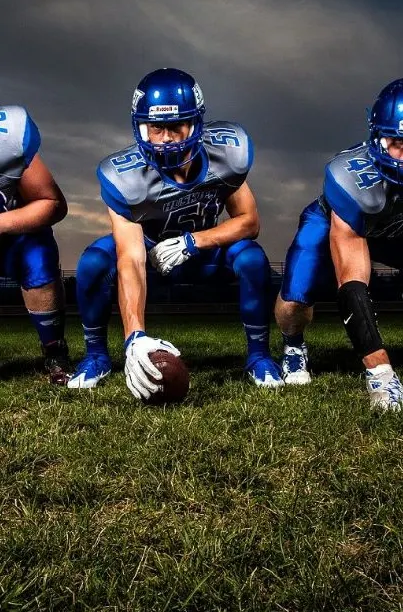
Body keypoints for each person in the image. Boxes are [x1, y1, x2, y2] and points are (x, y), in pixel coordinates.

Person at [69, 67, 279, 397]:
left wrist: (194, 242)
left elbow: (249, 222)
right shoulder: (125, 176)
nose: (166, 138)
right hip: (149, 250)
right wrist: (135, 336)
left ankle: (259, 356)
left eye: (175, 126)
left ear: (195, 123)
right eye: (156, 128)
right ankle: (96, 355)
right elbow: (131, 259)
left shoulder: (225, 155)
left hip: (204, 249)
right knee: (94, 262)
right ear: (141, 128)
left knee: (252, 259)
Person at [275, 79, 403, 410]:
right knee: (295, 301)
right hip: (338, 223)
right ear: (378, 138)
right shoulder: (349, 177)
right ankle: (293, 345)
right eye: (398, 142)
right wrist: (381, 371)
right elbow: (352, 281)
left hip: (396, 229)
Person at [0, 105, 71, 384]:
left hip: (10, 234)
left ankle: (54, 349)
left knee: (37, 255)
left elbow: (52, 204)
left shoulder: (8, 137)